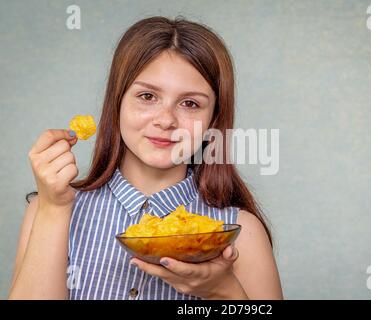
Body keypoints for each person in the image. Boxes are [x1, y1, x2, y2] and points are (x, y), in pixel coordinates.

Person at [9, 16, 283, 300]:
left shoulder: (240, 233)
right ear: (117, 102)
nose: (166, 120)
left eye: (190, 103)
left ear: (213, 120)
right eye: (148, 96)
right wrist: (54, 210)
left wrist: (222, 292)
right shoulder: (49, 210)